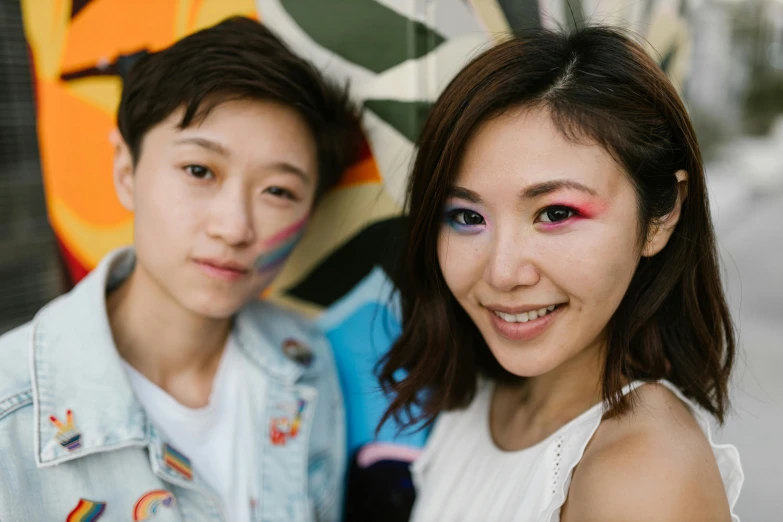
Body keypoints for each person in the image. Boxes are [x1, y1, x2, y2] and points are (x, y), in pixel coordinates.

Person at [0, 16, 360, 521]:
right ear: (126, 172)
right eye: (199, 171)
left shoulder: (303, 364)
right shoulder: (11, 415)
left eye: (278, 191)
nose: (234, 227)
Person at [378, 26, 744, 522]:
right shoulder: (481, 397)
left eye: (555, 213)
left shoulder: (644, 478)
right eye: (467, 217)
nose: (503, 272)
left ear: (661, 216)